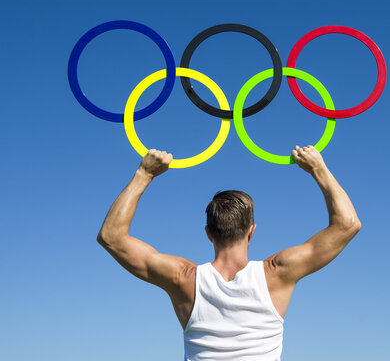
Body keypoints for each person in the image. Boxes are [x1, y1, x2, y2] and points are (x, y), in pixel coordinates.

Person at [97, 145, 361, 360]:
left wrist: (144, 173)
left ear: (208, 233)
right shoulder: (278, 273)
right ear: (252, 231)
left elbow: (111, 237)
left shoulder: (182, 278)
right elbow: (348, 225)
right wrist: (318, 168)